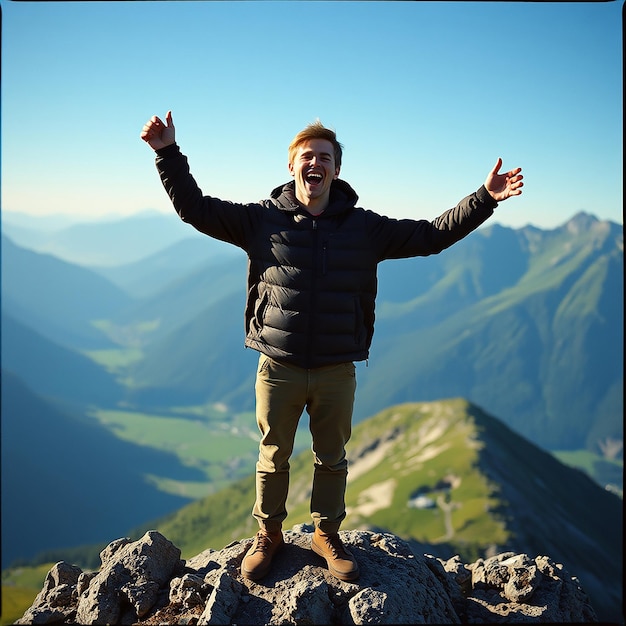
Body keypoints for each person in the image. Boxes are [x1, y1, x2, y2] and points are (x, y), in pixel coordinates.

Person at [140, 111, 523, 582]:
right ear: (292, 167)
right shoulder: (260, 220)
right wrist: (167, 154)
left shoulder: (365, 228)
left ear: (337, 170)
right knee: (272, 453)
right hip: (277, 364)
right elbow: (195, 209)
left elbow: (430, 235)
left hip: (337, 367)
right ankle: (269, 534)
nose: (315, 163)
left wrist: (485, 198)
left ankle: (326, 533)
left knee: (332, 456)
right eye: (307, 156)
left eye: (324, 157)